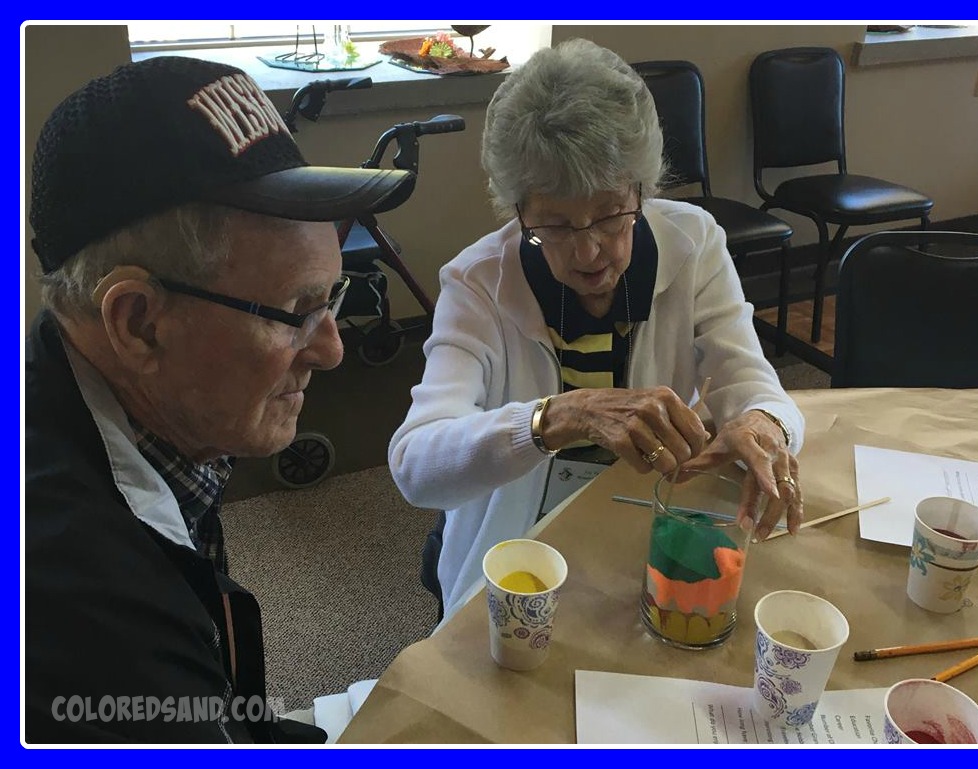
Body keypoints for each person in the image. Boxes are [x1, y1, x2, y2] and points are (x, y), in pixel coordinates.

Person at [25, 56, 414, 743]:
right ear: (139, 322)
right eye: (297, 310)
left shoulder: (115, 401)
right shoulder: (94, 636)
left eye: (333, 300)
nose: (331, 350)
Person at [388, 39, 805, 624]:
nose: (589, 251)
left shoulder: (695, 243)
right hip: (518, 543)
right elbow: (414, 465)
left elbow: (752, 383)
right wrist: (560, 416)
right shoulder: (477, 282)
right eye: (554, 225)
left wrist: (762, 423)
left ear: (643, 188)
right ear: (518, 211)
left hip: (647, 519)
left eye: (611, 215)